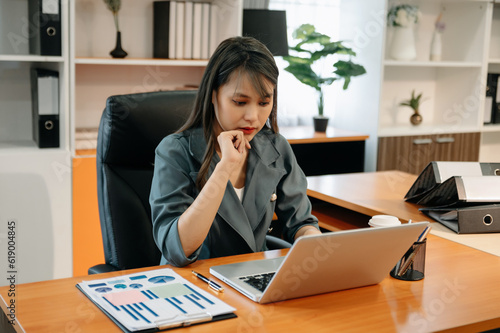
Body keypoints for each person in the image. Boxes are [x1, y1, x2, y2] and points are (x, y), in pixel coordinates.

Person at [150, 36, 321, 267]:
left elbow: (300, 222)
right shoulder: (175, 151)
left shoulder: (276, 147)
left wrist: (314, 244)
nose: (253, 116)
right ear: (213, 95)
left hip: (253, 281)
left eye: (263, 103)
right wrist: (224, 169)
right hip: (194, 286)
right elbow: (176, 249)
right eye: (240, 102)